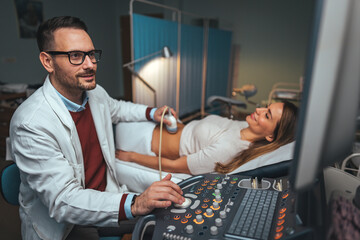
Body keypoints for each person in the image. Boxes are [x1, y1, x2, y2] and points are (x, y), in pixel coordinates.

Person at [10, 16, 184, 240]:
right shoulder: (31, 123)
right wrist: (137, 202)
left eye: (91, 54)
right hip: (68, 223)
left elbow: (117, 108)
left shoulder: (94, 92)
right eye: (75, 56)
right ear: (48, 62)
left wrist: (151, 112)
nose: (90, 64)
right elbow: (64, 201)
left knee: (170, 218)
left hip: (105, 197)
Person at [116, 101, 298, 175]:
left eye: (267, 115)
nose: (259, 110)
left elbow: (173, 166)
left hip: (144, 141)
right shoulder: (244, 126)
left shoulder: (228, 150)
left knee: (103, 121)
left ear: (271, 135)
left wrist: (131, 157)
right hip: (159, 126)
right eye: (266, 107)